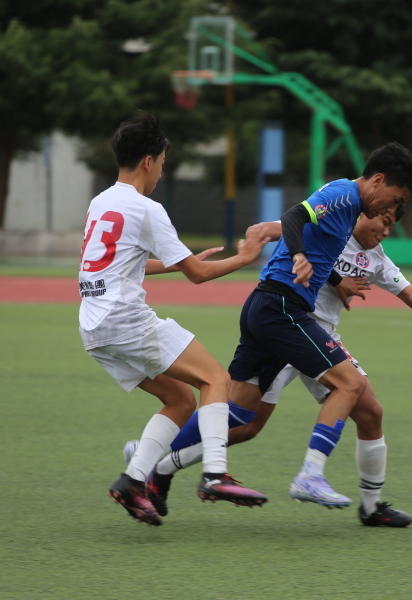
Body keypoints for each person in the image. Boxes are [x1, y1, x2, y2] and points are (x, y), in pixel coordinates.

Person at [126, 207, 412, 527]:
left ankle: (371, 506)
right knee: (244, 423)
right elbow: (265, 230)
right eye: (384, 219)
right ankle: (155, 460)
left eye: (391, 225)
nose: (386, 230)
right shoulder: (329, 225)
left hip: (320, 340)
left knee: (370, 412)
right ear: (362, 212)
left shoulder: (376, 259)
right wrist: (333, 277)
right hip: (285, 326)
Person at [79, 112, 270, 526]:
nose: (161, 172)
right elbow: (198, 276)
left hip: (93, 327)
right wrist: (245, 258)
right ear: (149, 161)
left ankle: (132, 481)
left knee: (180, 400)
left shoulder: (101, 201)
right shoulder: (147, 208)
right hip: (125, 320)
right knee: (216, 379)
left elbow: (116, 264)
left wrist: (177, 261)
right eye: (163, 163)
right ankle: (215, 475)